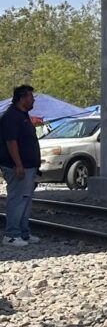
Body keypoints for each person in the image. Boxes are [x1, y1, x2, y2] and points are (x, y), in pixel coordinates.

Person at [1, 85, 41, 247]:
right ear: (22, 98)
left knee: (25, 200)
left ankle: (23, 232)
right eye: (31, 97)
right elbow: (11, 142)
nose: (33, 100)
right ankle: (11, 234)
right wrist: (18, 164)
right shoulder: (11, 117)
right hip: (17, 167)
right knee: (17, 199)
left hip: (28, 167)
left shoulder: (23, 116)